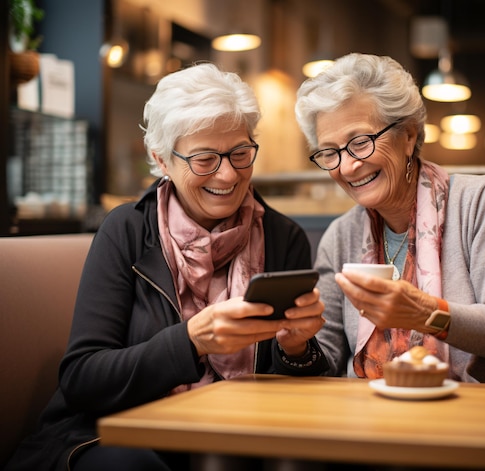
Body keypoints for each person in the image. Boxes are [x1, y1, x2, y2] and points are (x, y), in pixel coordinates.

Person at [5, 62, 329, 471]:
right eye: (205, 159)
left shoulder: (284, 238)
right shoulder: (126, 231)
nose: (228, 174)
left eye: (240, 153)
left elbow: (301, 396)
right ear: (161, 159)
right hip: (118, 434)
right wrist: (191, 341)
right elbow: (83, 378)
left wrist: (296, 347)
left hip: (245, 433)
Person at [294, 53, 485, 385]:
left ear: (409, 136)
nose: (346, 166)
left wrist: (427, 314)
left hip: (478, 414)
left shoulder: (479, 200)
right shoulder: (341, 236)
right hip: (371, 419)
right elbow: (326, 359)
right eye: (330, 152)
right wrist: (296, 345)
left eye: (360, 142)